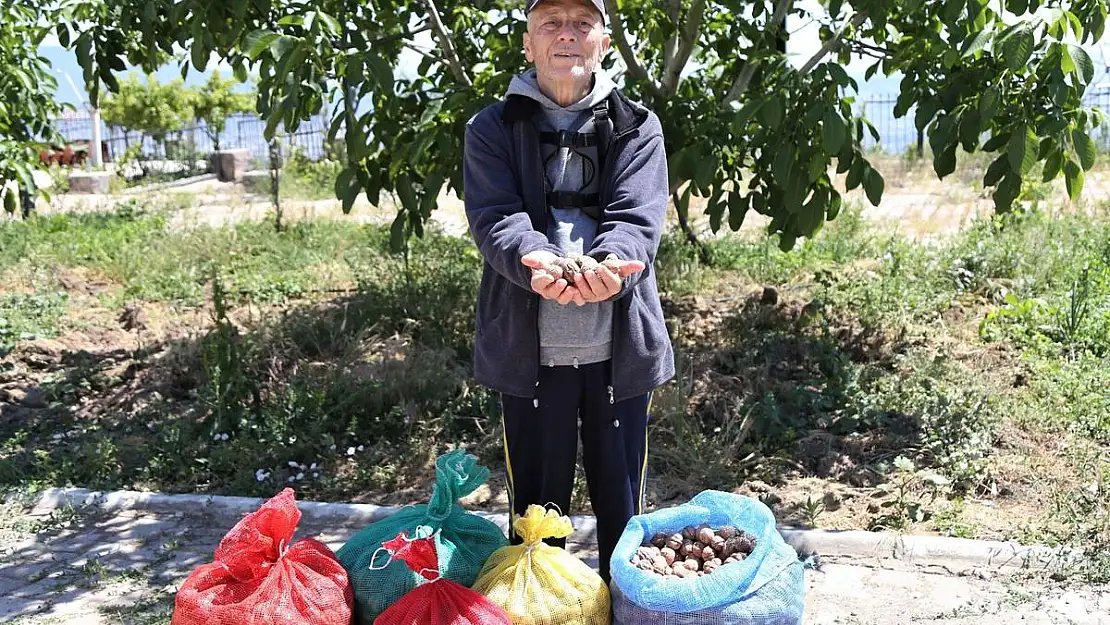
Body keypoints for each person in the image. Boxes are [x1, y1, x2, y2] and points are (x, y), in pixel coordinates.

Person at [462, 0, 674, 582]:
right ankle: (541, 610)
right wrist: (537, 262)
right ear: (527, 45)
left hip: (617, 353)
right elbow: (495, 216)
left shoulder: (637, 124)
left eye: (582, 24)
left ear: (603, 42)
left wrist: (611, 263)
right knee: (537, 518)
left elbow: (639, 219)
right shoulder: (490, 128)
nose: (566, 36)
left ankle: (624, 608)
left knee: (623, 516)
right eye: (550, 24)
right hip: (531, 356)